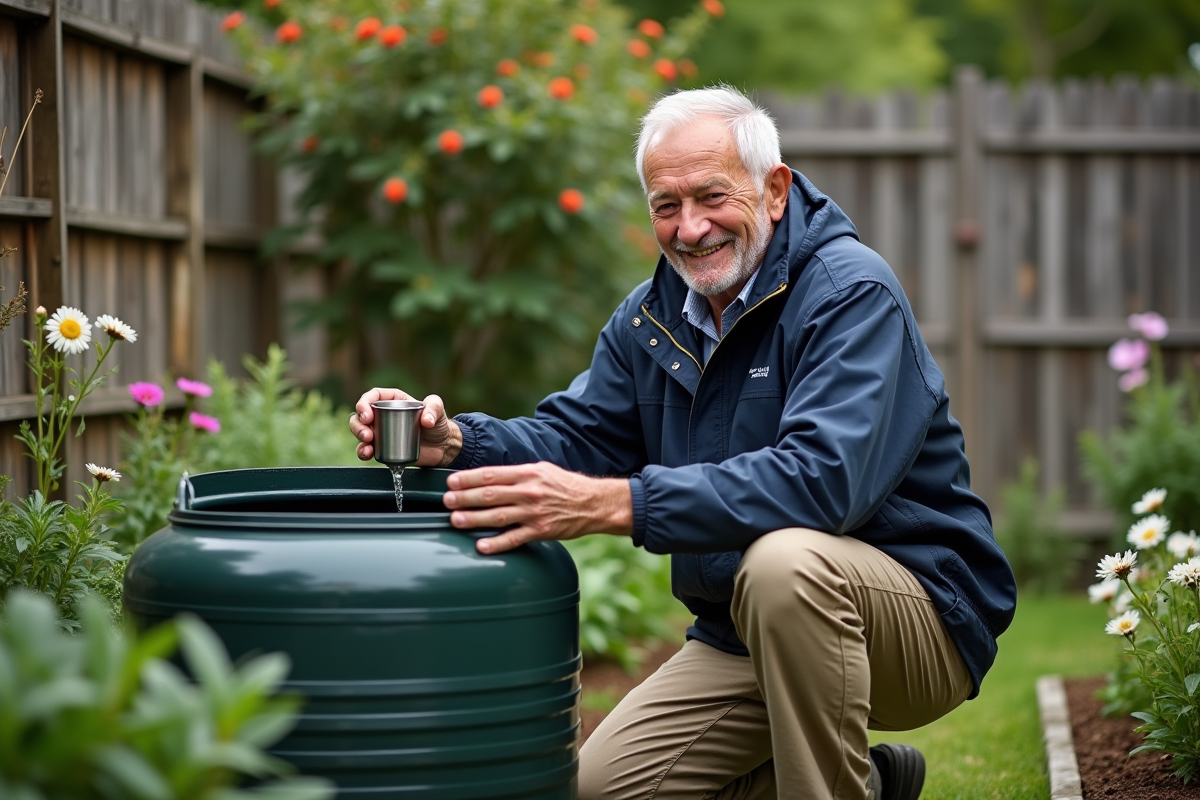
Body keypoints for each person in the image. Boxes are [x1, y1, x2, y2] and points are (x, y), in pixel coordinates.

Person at [350, 86, 1017, 800]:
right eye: (666, 206)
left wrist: (623, 504)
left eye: (711, 197)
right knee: (603, 791)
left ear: (775, 191)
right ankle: (876, 784)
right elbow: (578, 435)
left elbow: (821, 483)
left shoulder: (850, 294)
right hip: (749, 633)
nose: (690, 228)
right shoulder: (650, 318)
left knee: (784, 562)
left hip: (917, 614)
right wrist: (456, 442)